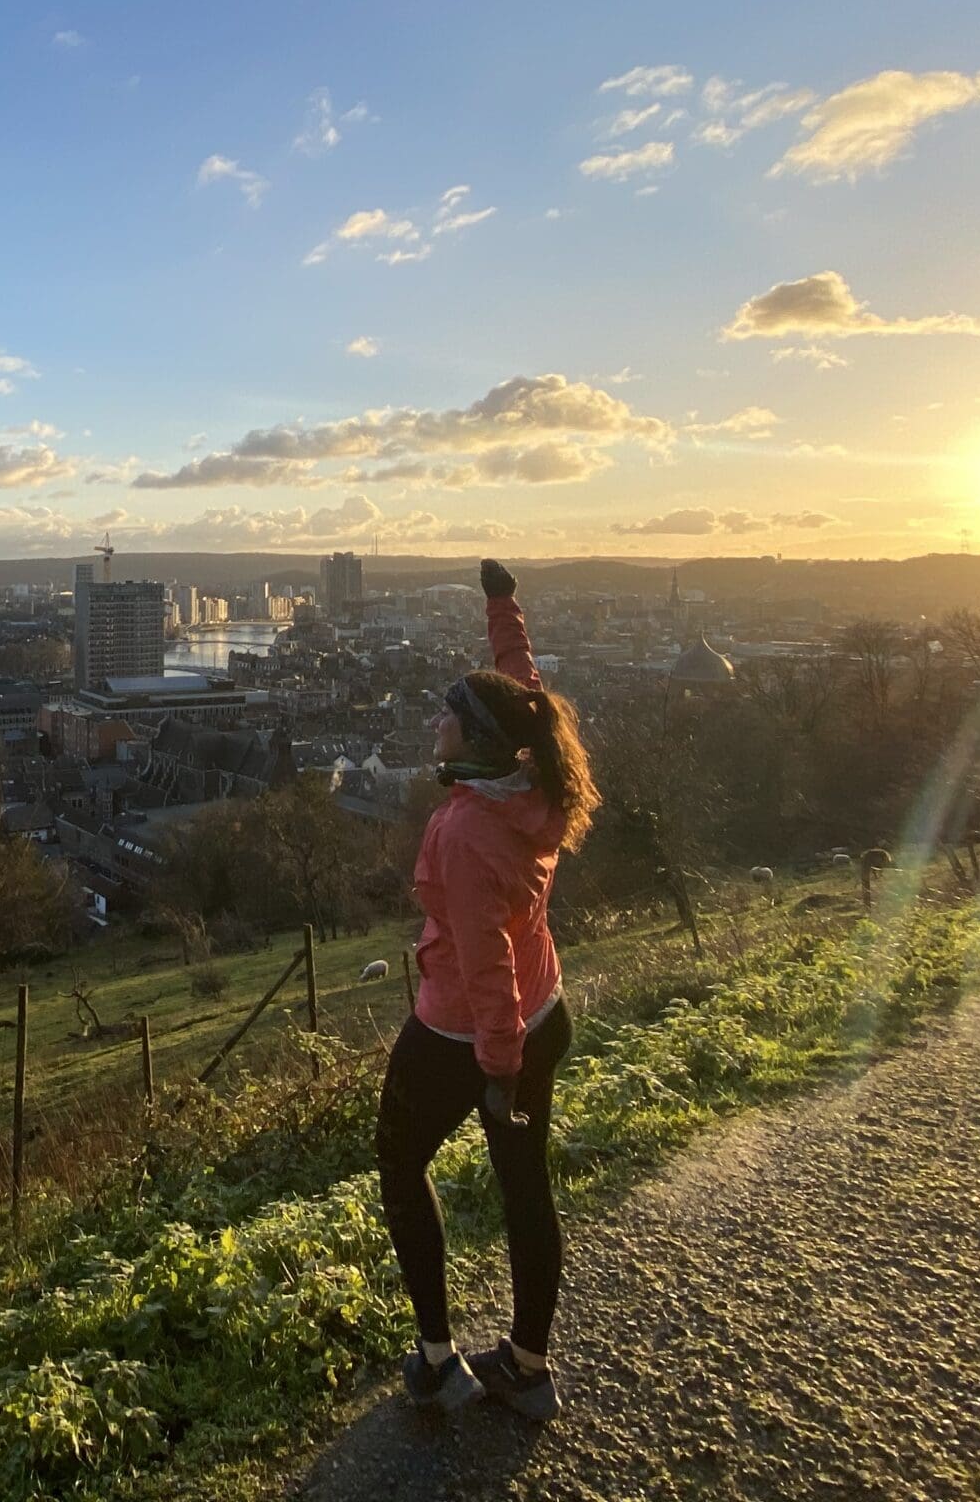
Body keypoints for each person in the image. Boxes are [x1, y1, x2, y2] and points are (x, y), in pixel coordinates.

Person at [377, 557, 600, 1422]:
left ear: (473, 742)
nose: (437, 719)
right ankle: (528, 1364)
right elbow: (524, 688)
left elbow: (483, 970)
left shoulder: (468, 831)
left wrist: (495, 1073)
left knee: (399, 1159)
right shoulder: (534, 774)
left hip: (469, 1033)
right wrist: (501, 606)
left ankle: (438, 1361)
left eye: (448, 714)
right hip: (544, 1014)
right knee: (524, 1189)